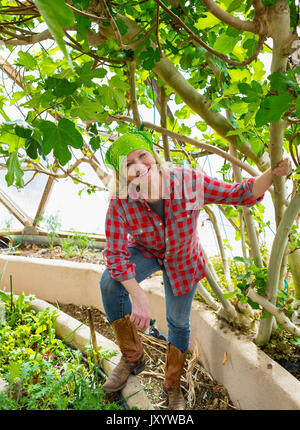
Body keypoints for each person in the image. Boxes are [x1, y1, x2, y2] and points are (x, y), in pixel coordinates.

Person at [100, 130, 291, 410]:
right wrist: (137, 294)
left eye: (142, 155)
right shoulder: (121, 201)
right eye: (128, 164)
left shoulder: (187, 181)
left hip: (182, 259)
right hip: (146, 250)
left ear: (153, 156)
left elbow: (239, 193)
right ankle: (132, 357)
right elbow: (116, 254)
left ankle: (172, 384)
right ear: (123, 174)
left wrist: (273, 173)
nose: (139, 165)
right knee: (110, 282)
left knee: (178, 322)